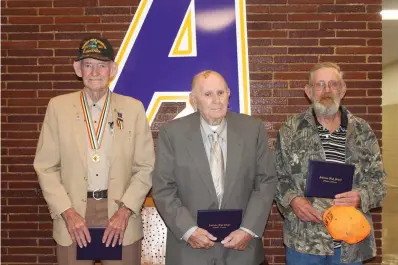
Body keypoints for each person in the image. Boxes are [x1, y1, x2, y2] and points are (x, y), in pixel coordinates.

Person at [34, 37, 155, 265]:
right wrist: (68, 213)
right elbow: (45, 166)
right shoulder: (57, 108)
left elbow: (146, 166)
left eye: (102, 64)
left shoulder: (133, 108)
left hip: (120, 216)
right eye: (88, 65)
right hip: (73, 215)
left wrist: (126, 210)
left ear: (113, 69)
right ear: (78, 69)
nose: (95, 72)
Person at [152, 70, 277, 265]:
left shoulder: (253, 129)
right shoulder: (172, 134)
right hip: (190, 250)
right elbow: (163, 188)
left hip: (242, 249)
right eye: (207, 94)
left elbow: (266, 182)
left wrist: (248, 229)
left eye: (220, 93)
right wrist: (189, 230)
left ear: (229, 94)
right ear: (194, 99)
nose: (216, 100)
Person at [274, 62, 386, 265]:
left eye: (333, 84)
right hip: (304, 242)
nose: (327, 90)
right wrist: (293, 200)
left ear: (342, 89)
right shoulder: (290, 129)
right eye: (320, 84)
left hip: (349, 244)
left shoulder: (362, 131)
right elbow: (276, 177)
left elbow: (378, 182)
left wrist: (361, 197)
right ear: (308, 91)